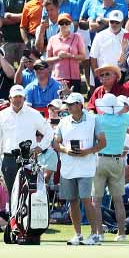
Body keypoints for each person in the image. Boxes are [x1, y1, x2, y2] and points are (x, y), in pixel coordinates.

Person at [54, 92, 105, 245]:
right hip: (68, 167)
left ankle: (95, 235)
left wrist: (87, 151)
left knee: (86, 200)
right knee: (72, 201)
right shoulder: (63, 122)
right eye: (68, 104)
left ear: (79, 105)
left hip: (86, 166)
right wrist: (65, 150)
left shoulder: (93, 119)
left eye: (71, 104)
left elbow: (103, 143)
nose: (68, 107)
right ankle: (78, 235)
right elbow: (56, 143)